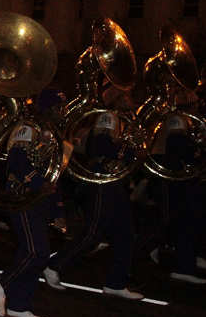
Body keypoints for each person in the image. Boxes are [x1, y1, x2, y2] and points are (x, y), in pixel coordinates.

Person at [43, 109, 144, 299]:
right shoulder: (106, 118)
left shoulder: (119, 119)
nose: (128, 101)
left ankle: (116, 283)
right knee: (92, 234)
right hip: (100, 183)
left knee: (126, 235)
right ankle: (54, 265)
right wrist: (131, 150)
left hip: (113, 184)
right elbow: (105, 146)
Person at [0, 123, 65, 317]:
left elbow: (55, 175)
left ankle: (19, 306)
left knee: (32, 254)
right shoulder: (28, 129)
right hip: (23, 196)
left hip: (40, 200)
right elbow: (17, 161)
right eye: (57, 107)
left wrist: (58, 211)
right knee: (36, 252)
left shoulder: (55, 136)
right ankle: (2, 283)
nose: (62, 111)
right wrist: (39, 183)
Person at [133, 113, 206, 284]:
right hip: (170, 182)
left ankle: (182, 268)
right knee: (169, 223)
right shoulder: (177, 126)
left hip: (179, 182)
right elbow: (187, 153)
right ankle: (129, 254)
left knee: (187, 223)